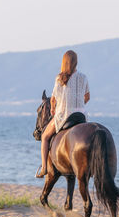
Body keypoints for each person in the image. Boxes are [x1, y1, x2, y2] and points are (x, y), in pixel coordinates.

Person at [36, 50, 90, 178]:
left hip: (65, 115)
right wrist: (78, 104)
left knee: (44, 136)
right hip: (82, 116)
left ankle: (44, 168)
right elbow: (87, 97)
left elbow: (53, 99)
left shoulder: (59, 78)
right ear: (76, 62)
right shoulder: (83, 77)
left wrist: (54, 109)